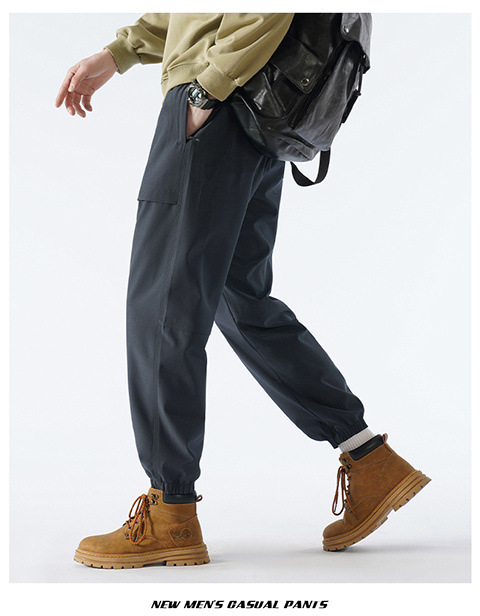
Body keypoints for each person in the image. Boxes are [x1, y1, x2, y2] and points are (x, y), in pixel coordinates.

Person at [55, 13, 430, 569]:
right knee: (240, 301)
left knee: (163, 307)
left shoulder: (210, 93)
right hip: (262, 112)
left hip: (219, 101)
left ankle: (170, 511)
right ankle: (368, 457)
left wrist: (207, 90)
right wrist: (119, 53)